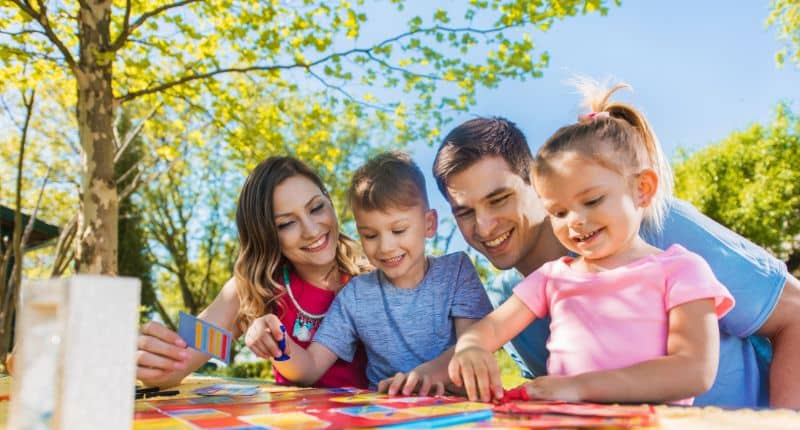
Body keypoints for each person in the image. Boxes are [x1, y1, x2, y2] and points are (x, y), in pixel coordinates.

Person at [433, 86, 800, 408]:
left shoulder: (660, 230)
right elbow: (547, 384)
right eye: (464, 212)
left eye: (499, 198)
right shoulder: (519, 290)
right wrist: (464, 355)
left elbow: (793, 314)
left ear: (534, 184)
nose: (483, 226)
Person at [245, 151, 493, 395]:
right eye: (370, 235)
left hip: (460, 410)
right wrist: (278, 343)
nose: (385, 247)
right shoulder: (354, 294)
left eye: (398, 230)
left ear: (429, 224)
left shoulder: (456, 272)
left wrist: (423, 376)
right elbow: (309, 368)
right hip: (387, 416)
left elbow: (474, 343)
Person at [136, 156, 370, 389]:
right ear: (265, 236)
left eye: (317, 208)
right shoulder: (249, 291)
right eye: (286, 223)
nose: (311, 230)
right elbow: (176, 365)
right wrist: (151, 360)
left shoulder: (376, 277)